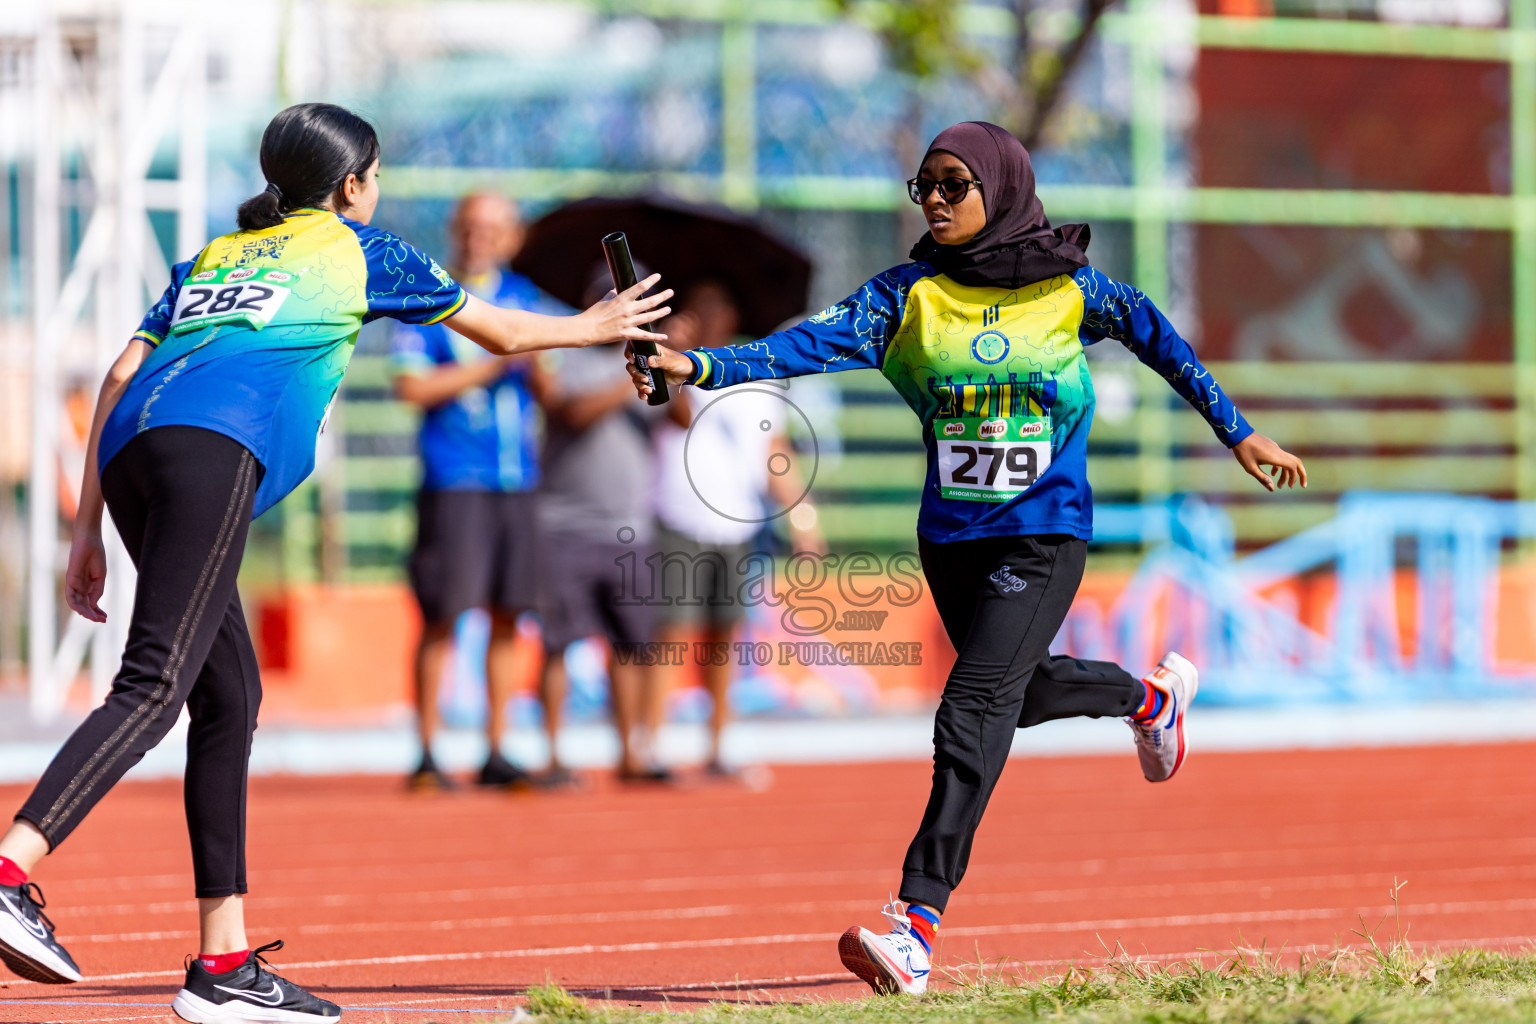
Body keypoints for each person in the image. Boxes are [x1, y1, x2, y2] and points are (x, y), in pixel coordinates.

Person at [0, 103, 669, 1023]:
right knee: (154, 686)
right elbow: (505, 335)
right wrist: (600, 326)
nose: (379, 190)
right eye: (378, 175)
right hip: (210, 450)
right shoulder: (362, 249)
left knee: (228, 698)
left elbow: (118, 376)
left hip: (131, 454)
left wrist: (86, 533)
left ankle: (224, 963)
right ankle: (9, 872)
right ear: (352, 186)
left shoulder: (216, 255)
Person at [629, 121, 1305, 996]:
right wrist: (693, 364)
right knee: (1018, 698)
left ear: (1003, 187)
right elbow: (796, 346)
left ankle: (914, 925)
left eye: (955, 183)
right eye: (925, 187)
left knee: (970, 708)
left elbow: (1161, 339)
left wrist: (1238, 432)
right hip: (952, 539)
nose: (937, 201)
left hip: (1044, 530)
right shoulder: (906, 297)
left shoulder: (1073, 292)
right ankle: (1152, 697)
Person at [391, 191, 565, 791]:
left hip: (516, 478)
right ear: (454, 231)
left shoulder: (526, 300)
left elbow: (550, 396)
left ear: (511, 237)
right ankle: (428, 752)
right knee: (443, 612)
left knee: (508, 616)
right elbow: (410, 388)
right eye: (468, 226)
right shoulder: (427, 297)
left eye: (491, 228)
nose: (478, 237)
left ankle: (495, 749)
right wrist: (495, 362)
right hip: (454, 478)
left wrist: (539, 364)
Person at [647, 281, 823, 776]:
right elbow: (675, 414)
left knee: (725, 635)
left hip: (736, 520)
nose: (711, 315)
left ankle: (717, 744)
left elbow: (775, 454)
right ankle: (654, 745)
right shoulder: (677, 368)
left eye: (719, 305)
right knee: (673, 633)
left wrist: (803, 517)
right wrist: (673, 353)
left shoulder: (759, 376)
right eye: (702, 306)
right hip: (680, 514)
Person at [537, 269, 691, 784]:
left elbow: (681, 419)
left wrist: (672, 369)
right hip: (565, 523)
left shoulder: (644, 367)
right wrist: (631, 382)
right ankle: (553, 756)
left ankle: (630, 753)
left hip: (630, 527)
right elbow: (572, 412)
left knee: (632, 646)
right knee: (559, 643)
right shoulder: (567, 353)